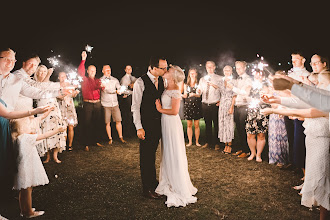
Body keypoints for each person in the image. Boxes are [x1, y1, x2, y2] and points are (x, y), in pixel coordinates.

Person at [155, 65, 197, 207]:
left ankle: (176, 183)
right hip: (165, 123)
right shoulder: (167, 87)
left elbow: (174, 111)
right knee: (167, 151)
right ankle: (167, 179)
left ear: (173, 77)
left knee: (173, 151)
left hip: (171, 123)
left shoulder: (176, 90)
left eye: (169, 71)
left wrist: (160, 109)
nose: (166, 71)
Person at [10, 110, 66, 218]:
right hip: (27, 169)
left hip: (22, 169)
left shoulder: (17, 138)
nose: (30, 127)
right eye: (28, 125)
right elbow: (44, 135)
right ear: (21, 128)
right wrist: (57, 130)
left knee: (23, 191)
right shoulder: (26, 138)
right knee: (28, 190)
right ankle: (29, 212)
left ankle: (24, 209)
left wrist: (47, 111)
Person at [131, 56, 167, 199]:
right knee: (146, 157)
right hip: (146, 125)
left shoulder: (162, 80)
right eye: (163, 68)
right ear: (153, 68)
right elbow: (135, 107)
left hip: (160, 124)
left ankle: (154, 182)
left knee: (154, 154)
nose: (165, 70)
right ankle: (147, 188)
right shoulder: (140, 82)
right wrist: (139, 127)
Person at [34, 65, 66, 163]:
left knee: (56, 129)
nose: (43, 73)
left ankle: (55, 155)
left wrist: (67, 93)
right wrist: (49, 74)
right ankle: (47, 156)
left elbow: (59, 94)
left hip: (53, 109)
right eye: (41, 71)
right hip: (42, 110)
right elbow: (41, 87)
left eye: (45, 71)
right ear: (37, 73)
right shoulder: (34, 84)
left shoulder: (51, 84)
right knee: (44, 131)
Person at [78, 51, 104, 151]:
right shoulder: (84, 79)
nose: (93, 72)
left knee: (97, 122)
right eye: (91, 70)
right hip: (88, 103)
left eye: (94, 70)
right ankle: (86, 143)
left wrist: (102, 86)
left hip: (97, 103)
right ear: (87, 71)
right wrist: (83, 60)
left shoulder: (98, 80)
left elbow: (99, 87)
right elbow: (80, 72)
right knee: (87, 123)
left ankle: (96, 141)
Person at [226, 61, 252, 158]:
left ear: (244, 68)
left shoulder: (248, 79)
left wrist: (233, 87)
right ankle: (242, 148)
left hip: (244, 106)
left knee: (243, 128)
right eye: (237, 68)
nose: (238, 70)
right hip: (237, 105)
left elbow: (245, 93)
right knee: (239, 129)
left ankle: (247, 150)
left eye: (240, 68)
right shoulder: (237, 79)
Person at [244, 70, 270, 162]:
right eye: (255, 76)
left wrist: (260, 100)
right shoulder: (250, 87)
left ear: (263, 77)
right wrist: (249, 97)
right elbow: (245, 97)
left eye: (259, 76)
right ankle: (253, 153)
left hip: (262, 112)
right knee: (250, 134)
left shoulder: (266, 87)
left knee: (261, 134)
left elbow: (267, 99)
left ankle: (259, 155)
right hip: (251, 113)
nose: (257, 77)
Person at [197, 61, 222, 150]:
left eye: (211, 67)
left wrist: (221, 100)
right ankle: (208, 142)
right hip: (205, 104)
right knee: (207, 124)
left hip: (214, 104)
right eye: (208, 67)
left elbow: (222, 90)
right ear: (206, 68)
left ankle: (217, 143)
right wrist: (198, 91)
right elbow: (199, 90)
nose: (210, 69)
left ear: (214, 67)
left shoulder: (219, 78)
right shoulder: (202, 79)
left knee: (216, 124)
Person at [100, 65, 126, 144]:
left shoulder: (115, 80)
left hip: (115, 103)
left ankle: (121, 137)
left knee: (118, 120)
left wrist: (121, 90)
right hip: (106, 104)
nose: (108, 71)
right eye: (106, 70)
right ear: (103, 71)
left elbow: (119, 87)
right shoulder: (101, 80)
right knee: (107, 122)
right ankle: (110, 138)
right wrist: (116, 91)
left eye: (109, 70)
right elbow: (106, 90)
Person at [57, 72, 79, 151]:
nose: (63, 78)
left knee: (71, 126)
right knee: (63, 128)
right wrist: (66, 92)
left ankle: (70, 145)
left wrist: (75, 93)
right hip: (62, 108)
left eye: (64, 76)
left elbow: (72, 95)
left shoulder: (70, 85)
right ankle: (63, 145)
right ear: (59, 78)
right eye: (61, 77)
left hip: (70, 108)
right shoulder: (57, 86)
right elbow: (59, 98)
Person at [218, 65, 236, 154]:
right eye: (225, 70)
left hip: (229, 104)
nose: (226, 72)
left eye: (228, 70)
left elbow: (234, 95)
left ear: (231, 71)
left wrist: (232, 107)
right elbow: (220, 92)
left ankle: (230, 145)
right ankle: (225, 144)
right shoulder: (221, 82)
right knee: (223, 123)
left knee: (229, 124)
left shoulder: (233, 82)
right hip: (222, 104)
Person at [182, 68, 202, 147]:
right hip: (188, 105)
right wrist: (177, 94)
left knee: (197, 125)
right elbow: (185, 95)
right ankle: (190, 142)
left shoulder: (198, 83)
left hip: (196, 105)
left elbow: (199, 95)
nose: (193, 75)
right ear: (189, 75)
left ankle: (197, 142)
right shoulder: (185, 85)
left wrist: (194, 94)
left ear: (196, 74)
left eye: (194, 73)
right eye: (191, 73)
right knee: (189, 124)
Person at [120, 65, 137, 138]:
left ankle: (131, 131)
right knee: (128, 115)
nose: (129, 70)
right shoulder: (124, 79)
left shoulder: (133, 78)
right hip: (128, 98)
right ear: (125, 70)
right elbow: (123, 90)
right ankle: (127, 132)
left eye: (130, 68)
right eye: (127, 69)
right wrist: (132, 92)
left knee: (132, 114)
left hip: (133, 97)